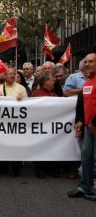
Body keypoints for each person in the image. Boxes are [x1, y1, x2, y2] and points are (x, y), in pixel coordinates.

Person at [68, 53, 96, 201]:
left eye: (91, 61)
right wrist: (81, 120)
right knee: (86, 157)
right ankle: (85, 186)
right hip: (88, 127)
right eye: (85, 62)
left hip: (94, 126)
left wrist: (94, 122)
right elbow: (84, 105)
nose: (87, 64)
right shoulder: (87, 83)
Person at [0, 68, 28, 177]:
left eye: (14, 74)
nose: (12, 76)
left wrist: (22, 101)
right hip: (2, 123)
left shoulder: (21, 89)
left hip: (17, 122)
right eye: (9, 74)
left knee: (16, 145)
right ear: (4, 76)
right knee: (2, 145)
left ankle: (16, 168)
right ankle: (3, 167)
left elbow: (28, 106)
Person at [30, 73, 60, 178]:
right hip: (39, 126)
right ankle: (39, 168)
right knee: (40, 148)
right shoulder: (36, 94)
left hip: (50, 127)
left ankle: (50, 168)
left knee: (50, 147)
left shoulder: (54, 94)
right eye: (52, 80)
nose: (54, 82)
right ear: (45, 82)